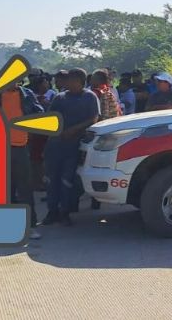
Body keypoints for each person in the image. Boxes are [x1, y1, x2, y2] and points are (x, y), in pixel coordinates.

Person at [45, 68, 100, 226]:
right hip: (55, 145)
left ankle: (65, 212)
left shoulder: (90, 97)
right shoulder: (59, 98)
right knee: (52, 180)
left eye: (71, 80)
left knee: (67, 180)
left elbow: (93, 118)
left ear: (81, 82)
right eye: (67, 79)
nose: (68, 82)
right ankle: (52, 211)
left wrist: (74, 130)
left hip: (74, 146)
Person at [0, 82, 44, 239]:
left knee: (25, 190)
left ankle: (30, 227)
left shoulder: (26, 94)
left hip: (21, 148)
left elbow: (39, 112)